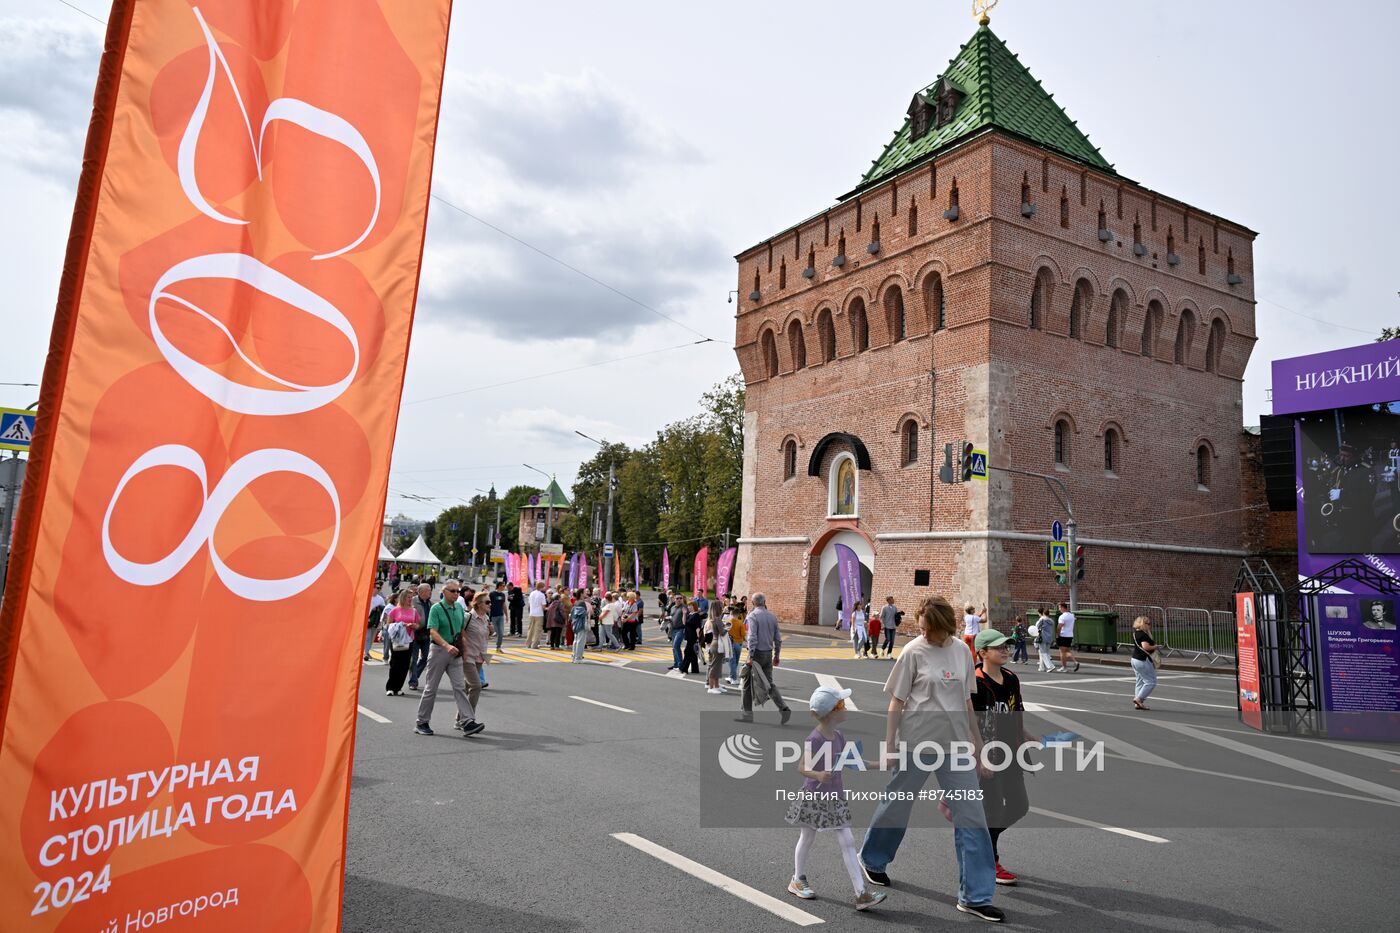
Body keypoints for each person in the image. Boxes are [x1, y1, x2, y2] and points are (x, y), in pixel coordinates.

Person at [858, 595, 1001, 924]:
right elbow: (897, 702)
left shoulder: (961, 652)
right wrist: (890, 745)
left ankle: (975, 896)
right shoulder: (913, 651)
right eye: (919, 629)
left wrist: (978, 748)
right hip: (916, 744)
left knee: (972, 818)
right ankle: (873, 859)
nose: (921, 634)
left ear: (943, 627)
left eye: (926, 629)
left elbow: (966, 702)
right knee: (897, 804)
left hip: (954, 748)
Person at [785, 685, 888, 912]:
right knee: (807, 838)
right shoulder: (815, 739)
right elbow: (801, 766)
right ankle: (797, 878)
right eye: (842, 705)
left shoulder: (839, 736)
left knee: (847, 840)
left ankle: (861, 894)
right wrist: (818, 774)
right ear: (831, 712)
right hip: (814, 798)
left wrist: (883, 764)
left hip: (835, 798)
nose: (845, 707)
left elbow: (853, 762)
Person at [970, 629, 1033, 887]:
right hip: (988, 755)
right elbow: (969, 723)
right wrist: (980, 756)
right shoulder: (975, 682)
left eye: (1007, 646)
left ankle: (983, 842)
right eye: (999, 647)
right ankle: (991, 859)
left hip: (1011, 753)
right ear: (983, 653)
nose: (1006, 650)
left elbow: (1016, 710)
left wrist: (1027, 735)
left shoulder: (1011, 678)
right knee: (994, 808)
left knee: (1019, 805)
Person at [413, 580, 485, 737]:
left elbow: (461, 631)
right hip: (439, 651)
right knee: (431, 688)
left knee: (460, 687)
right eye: (452, 591)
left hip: (456, 652)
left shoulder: (459, 608)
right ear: (444, 592)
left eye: (457, 591)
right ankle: (422, 722)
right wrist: (446, 646)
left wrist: (464, 650)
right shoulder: (436, 608)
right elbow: (433, 631)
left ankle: (467, 721)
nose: (456, 594)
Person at [738, 593, 792, 723]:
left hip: (756, 654)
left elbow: (752, 638)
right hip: (768, 653)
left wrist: (750, 655)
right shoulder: (772, 616)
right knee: (769, 684)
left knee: (746, 682)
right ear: (764, 601)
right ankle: (783, 708)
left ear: (752, 603)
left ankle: (747, 714)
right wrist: (777, 655)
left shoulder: (753, 616)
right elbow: (778, 639)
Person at [455, 591, 493, 727]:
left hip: (479, 657)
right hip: (467, 656)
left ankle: (459, 719)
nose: (490, 604)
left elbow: (485, 634)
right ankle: (468, 719)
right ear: (478, 604)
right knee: (476, 686)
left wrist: (491, 630)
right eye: (487, 602)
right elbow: (459, 632)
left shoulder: (486, 618)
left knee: (467, 688)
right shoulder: (468, 617)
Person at [383, 589, 418, 695]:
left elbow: (417, 625)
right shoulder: (395, 610)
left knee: (405, 664)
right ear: (403, 598)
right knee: (395, 663)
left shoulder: (414, 611)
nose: (410, 599)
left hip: (409, 640)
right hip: (397, 640)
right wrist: (399, 625)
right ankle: (390, 687)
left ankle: (398, 687)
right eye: (408, 597)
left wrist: (413, 626)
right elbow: (388, 625)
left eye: (411, 597)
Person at [408, 583, 434, 690]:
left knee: (426, 658)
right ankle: (413, 681)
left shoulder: (430, 603)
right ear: (421, 591)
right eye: (428, 590)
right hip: (414, 633)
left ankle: (415, 675)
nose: (430, 592)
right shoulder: (412, 601)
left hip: (426, 635)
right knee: (413, 659)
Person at [1130, 616, 1159, 710]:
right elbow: (1145, 647)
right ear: (1143, 624)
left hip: (1134, 659)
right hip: (1142, 660)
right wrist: (1155, 646)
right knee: (1151, 681)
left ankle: (1137, 703)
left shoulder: (1136, 633)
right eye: (1148, 623)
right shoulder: (1143, 635)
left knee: (1139, 681)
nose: (1150, 625)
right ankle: (1139, 699)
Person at [703, 602, 729, 694]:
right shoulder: (717, 619)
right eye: (721, 607)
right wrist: (728, 628)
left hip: (715, 643)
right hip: (717, 644)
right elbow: (722, 632)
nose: (723, 608)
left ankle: (716, 686)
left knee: (716, 666)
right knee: (715, 667)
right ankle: (711, 687)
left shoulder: (714, 619)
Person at [1055, 602, 1081, 672]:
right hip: (1070, 635)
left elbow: (1059, 626)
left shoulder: (1062, 616)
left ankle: (1064, 667)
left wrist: (1057, 634)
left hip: (1063, 635)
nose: (1059, 609)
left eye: (1060, 608)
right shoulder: (1072, 615)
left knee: (1062, 652)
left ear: (1063, 608)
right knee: (1067, 651)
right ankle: (1075, 662)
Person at [726, 603, 747, 685]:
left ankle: (732, 677)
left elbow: (725, 632)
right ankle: (732, 677)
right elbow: (743, 634)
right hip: (739, 643)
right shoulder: (740, 623)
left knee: (732, 661)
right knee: (736, 661)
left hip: (730, 643)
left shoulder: (728, 622)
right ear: (738, 614)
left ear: (732, 613)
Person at [681, 600, 704, 674]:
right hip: (688, 636)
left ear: (694, 606)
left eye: (690, 605)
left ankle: (684, 668)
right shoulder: (690, 614)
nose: (688, 607)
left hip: (693, 637)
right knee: (693, 653)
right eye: (688, 606)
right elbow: (684, 623)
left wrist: (698, 637)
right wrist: (684, 614)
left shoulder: (696, 615)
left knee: (687, 652)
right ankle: (695, 669)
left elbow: (698, 627)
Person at [365, 587, 386, 661]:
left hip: (375, 620)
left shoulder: (380, 598)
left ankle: (367, 651)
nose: (378, 589)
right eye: (376, 588)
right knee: (367, 637)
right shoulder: (367, 596)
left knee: (372, 637)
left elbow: (384, 607)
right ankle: (366, 653)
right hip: (367, 619)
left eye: (379, 588)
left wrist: (378, 608)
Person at [570, 589, 590, 663]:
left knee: (576, 640)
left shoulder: (576, 602)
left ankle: (574, 656)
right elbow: (583, 613)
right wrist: (588, 612)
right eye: (585, 592)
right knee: (580, 641)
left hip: (575, 623)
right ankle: (578, 658)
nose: (587, 593)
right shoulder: (582, 603)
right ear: (581, 594)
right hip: (581, 623)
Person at [1034, 608, 1057, 672]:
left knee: (1043, 653)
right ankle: (1042, 667)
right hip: (1049, 638)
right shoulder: (1051, 621)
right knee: (1046, 653)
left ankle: (1050, 666)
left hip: (1043, 637)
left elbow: (1037, 627)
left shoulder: (1042, 620)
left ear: (1043, 613)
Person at [526, 581, 547, 649]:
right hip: (539, 614)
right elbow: (543, 606)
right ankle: (534, 644)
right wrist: (548, 608)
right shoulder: (542, 595)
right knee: (537, 630)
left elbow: (529, 603)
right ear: (542, 587)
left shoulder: (532, 593)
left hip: (532, 613)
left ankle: (528, 644)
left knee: (530, 629)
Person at [667, 598, 687, 669]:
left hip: (680, 629)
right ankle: (675, 664)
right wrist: (668, 619)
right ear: (674, 599)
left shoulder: (684, 607)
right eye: (677, 598)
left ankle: (680, 664)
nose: (679, 599)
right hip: (673, 629)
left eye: (680, 598)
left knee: (676, 645)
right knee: (674, 647)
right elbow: (672, 616)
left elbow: (686, 618)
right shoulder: (673, 607)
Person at [488, 582, 507, 652]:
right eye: (503, 586)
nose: (504, 587)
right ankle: (483, 647)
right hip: (493, 616)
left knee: (501, 633)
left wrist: (507, 615)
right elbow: (488, 604)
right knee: (493, 632)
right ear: (499, 586)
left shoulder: (502, 595)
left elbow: (504, 605)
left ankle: (498, 647)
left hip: (500, 616)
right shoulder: (492, 594)